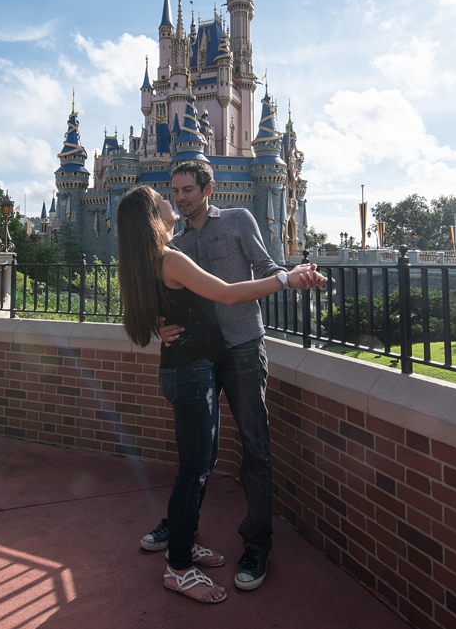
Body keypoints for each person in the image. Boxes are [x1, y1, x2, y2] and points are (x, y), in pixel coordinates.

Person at [117, 185, 323, 604]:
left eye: (181, 191)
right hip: (192, 374)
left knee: (202, 462)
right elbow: (227, 294)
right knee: (193, 471)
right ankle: (178, 565)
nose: (171, 200)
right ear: (152, 216)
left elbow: (158, 307)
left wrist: (163, 322)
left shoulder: (152, 259)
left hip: (191, 368)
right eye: (163, 197)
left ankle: (184, 540)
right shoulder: (171, 256)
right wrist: (286, 278)